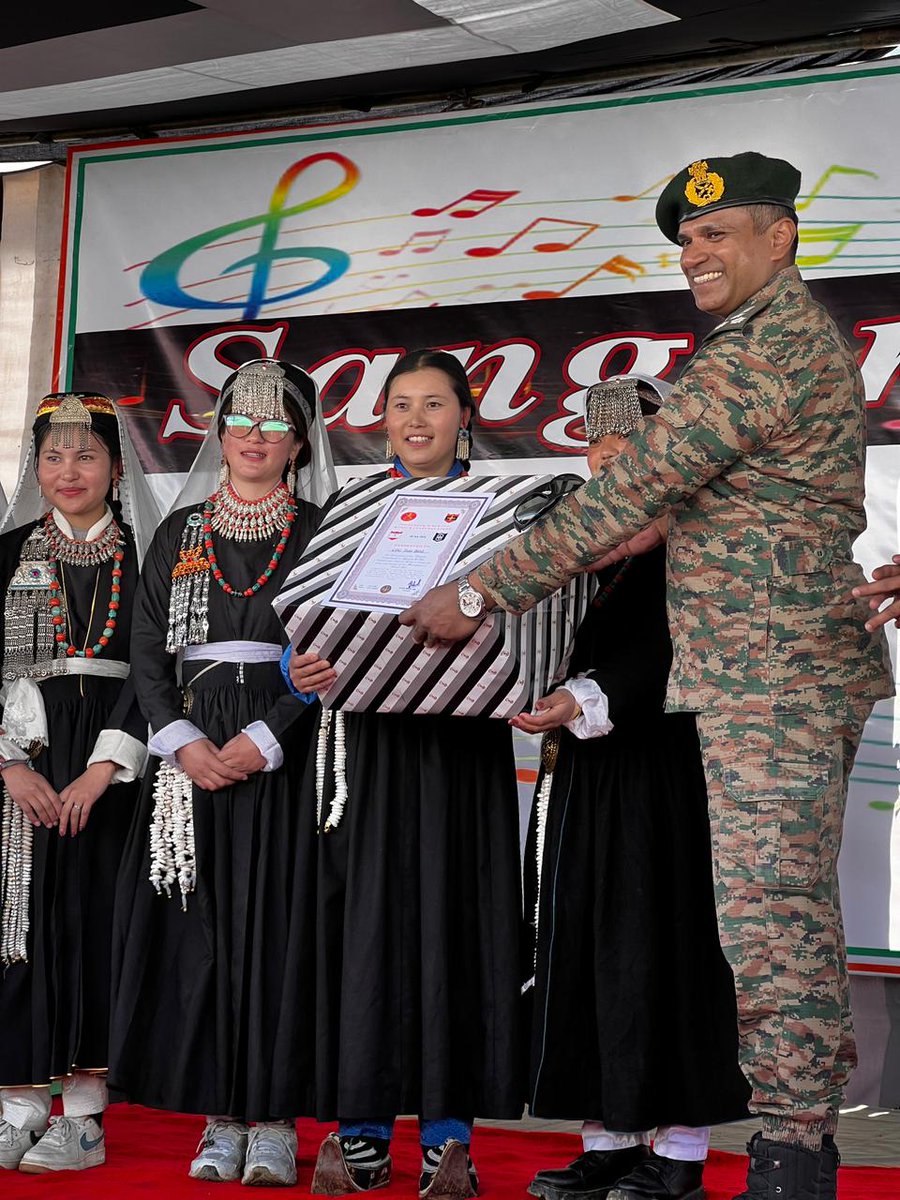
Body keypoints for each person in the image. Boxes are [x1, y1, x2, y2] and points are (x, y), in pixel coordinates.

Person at [399, 153, 894, 1200]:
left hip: (780, 681)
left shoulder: (768, 351)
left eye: (720, 233)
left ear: (782, 237)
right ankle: (792, 1150)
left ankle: (793, 1159)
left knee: (773, 929)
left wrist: (480, 593)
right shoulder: (755, 345)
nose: (697, 252)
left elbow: (638, 491)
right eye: (688, 239)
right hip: (758, 677)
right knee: (768, 924)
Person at [283, 349, 523, 1200]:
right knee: (368, 933)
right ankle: (362, 1135)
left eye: (434, 404)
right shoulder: (348, 509)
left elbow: (531, 622)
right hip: (368, 756)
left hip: (463, 753)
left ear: (467, 415)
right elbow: (305, 627)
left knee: (459, 930)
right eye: (400, 406)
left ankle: (449, 1141)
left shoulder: (502, 512)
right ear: (380, 419)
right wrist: (296, 671)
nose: (416, 420)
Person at [519, 374, 749, 1200]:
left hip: (672, 777)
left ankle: (681, 1151)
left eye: (633, 450)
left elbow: (683, 650)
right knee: (586, 944)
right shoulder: (580, 549)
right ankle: (610, 1137)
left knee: (668, 947)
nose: (612, 464)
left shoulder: (705, 540)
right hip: (587, 775)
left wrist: (582, 695)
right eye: (600, 450)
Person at [108, 358, 337, 1187]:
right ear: (220, 433)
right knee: (203, 932)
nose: (254, 437)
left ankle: (274, 1117)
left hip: (284, 745)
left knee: (278, 927)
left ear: (299, 442)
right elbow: (145, 651)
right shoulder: (180, 530)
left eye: (274, 425)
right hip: (191, 755)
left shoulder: (322, 527)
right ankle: (218, 1113)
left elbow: (334, 649)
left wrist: (267, 737)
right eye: (240, 421)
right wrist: (178, 738)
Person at [0, 392, 157, 1173]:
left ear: (117, 468)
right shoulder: (3, 556)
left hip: (116, 770)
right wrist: (9, 762)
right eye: (53, 457)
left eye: (86, 455)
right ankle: (19, 1102)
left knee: (99, 926)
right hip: (19, 768)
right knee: (18, 928)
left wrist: (104, 766)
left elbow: (156, 671)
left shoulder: (151, 557)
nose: (69, 471)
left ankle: (86, 1117)